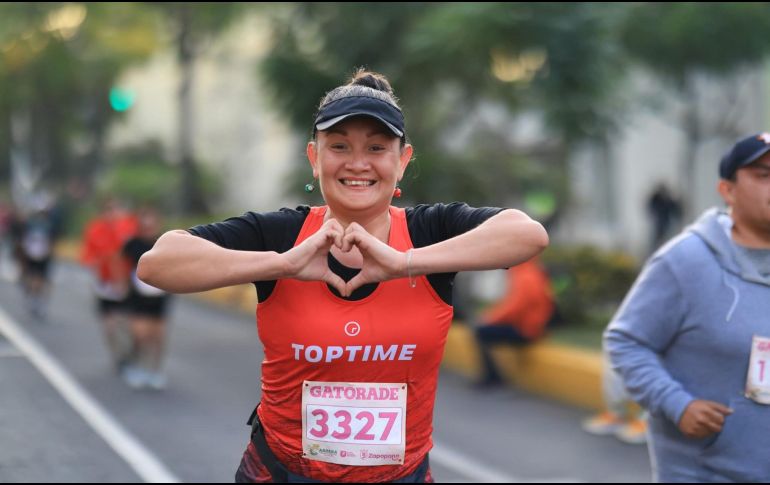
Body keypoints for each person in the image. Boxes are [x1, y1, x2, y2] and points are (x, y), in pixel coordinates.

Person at [138, 69, 549, 483]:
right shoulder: (282, 235)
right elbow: (157, 263)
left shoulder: (429, 232)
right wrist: (283, 265)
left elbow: (527, 235)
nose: (357, 164)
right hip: (280, 472)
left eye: (376, 147)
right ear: (314, 158)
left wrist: (406, 263)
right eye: (339, 146)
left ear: (402, 161)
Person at [605, 132, 770, 482]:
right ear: (728, 190)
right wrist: (677, 404)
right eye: (764, 175)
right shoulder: (686, 261)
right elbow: (627, 342)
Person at [472, 258, 556, 387]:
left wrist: (490, 318)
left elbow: (516, 306)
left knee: (481, 331)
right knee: (483, 330)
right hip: (528, 326)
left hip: (528, 330)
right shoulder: (530, 270)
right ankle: (493, 376)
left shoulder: (526, 274)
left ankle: (493, 377)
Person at [80, 198, 138, 372]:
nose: (112, 215)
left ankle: (130, 351)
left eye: (115, 210)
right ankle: (118, 356)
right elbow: (88, 255)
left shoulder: (129, 227)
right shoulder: (95, 230)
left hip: (127, 282)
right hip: (105, 284)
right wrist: (97, 266)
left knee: (129, 323)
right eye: (108, 211)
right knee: (110, 325)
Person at [121, 208, 172, 390]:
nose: (149, 227)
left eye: (153, 223)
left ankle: (155, 371)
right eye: (146, 224)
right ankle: (136, 367)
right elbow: (121, 265)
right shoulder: (132, 244)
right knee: (140, 336)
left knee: (158, 337)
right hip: (138, 297)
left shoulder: (166, 243)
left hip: (159, 297)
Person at [646, 182, 682, 254]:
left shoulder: (667, 199)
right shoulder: (656, 198)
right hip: (659, 222)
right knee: (658, 239)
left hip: (666, 222)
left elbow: (675, 210)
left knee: (666, 238)